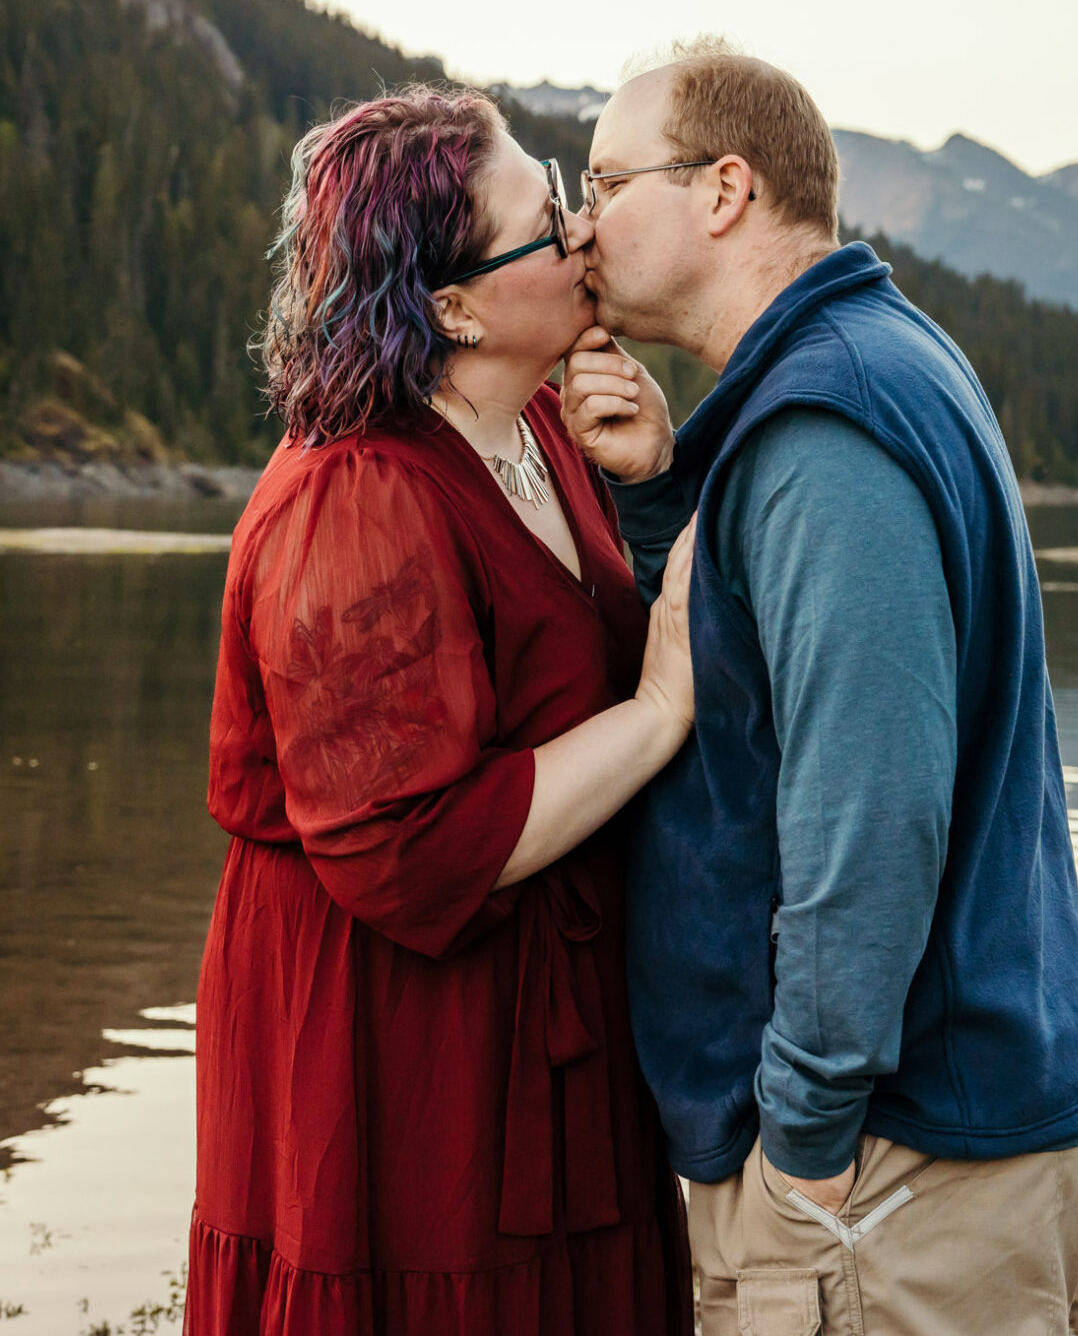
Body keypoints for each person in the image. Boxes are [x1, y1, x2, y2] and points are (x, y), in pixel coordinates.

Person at [558, 41, 1078, 1335]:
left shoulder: (825, 430)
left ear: (723, 189)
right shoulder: (859, 368)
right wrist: (661, 496)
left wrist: (801, 1148)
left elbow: (871, 820)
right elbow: (756, 681)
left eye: (604, 181)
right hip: (908, 1150)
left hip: (887, 1165)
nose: (580, 226)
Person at [187, 86, 697, 1334]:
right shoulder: (353, 496)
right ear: (451, 305)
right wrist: (660, 709)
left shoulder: (542, 427)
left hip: (546, 1008)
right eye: (548, 219)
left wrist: (653, 489)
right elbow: (402, 844)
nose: (583, 237)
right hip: (395, 1039)